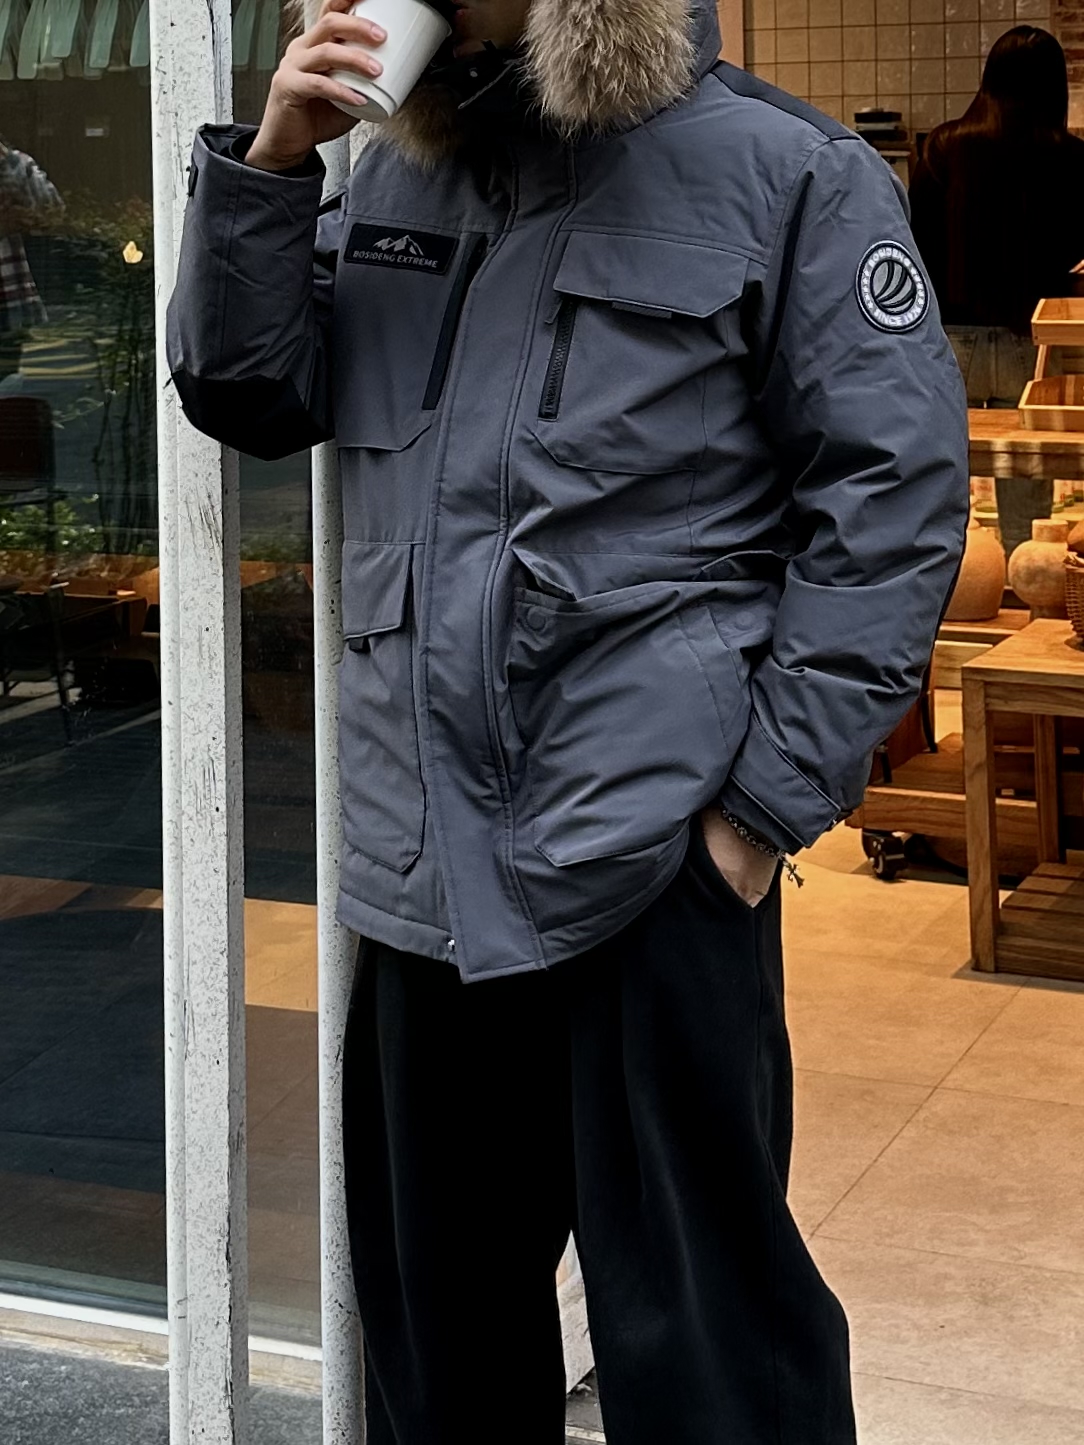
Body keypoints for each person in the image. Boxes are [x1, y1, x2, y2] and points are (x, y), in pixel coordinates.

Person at [168, 1, 968, 1439]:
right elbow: (247, 389)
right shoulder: (390, 171)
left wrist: (756, 815)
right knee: (442, 1364)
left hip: (649, 868)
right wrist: (274, 165)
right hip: (421, 877)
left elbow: (891, 509)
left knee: (715, 1367)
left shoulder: (785, 170)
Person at [910, 26, 1084, 559]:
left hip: (948, 339)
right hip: (1030, 339)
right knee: (1026, 471)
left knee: (941, 473)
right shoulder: (1073, 158)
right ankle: (1022, 577)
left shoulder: (942, 148)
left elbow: (917, 248)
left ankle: (954, 584)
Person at [0, 139, 62, 385]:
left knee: (7, 378)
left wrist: (7, 161)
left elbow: (52, 209)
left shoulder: (15, 165)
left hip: (7, 298)